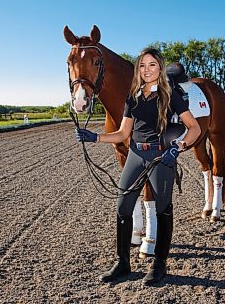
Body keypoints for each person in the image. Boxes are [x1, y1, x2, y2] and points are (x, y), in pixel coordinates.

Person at [75, 48, 201, 285]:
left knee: (163, 208)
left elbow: (194, 128)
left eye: (152, 65)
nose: (146, 70)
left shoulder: (170, 94)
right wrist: (95, 137)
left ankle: (159, 264)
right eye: (142, 65)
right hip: (135, 154)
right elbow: (123, 132)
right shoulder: (132, 96)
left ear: (160, 68)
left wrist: (179, 146)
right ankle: (123, 262)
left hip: (160, 156)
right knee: (123, 207)